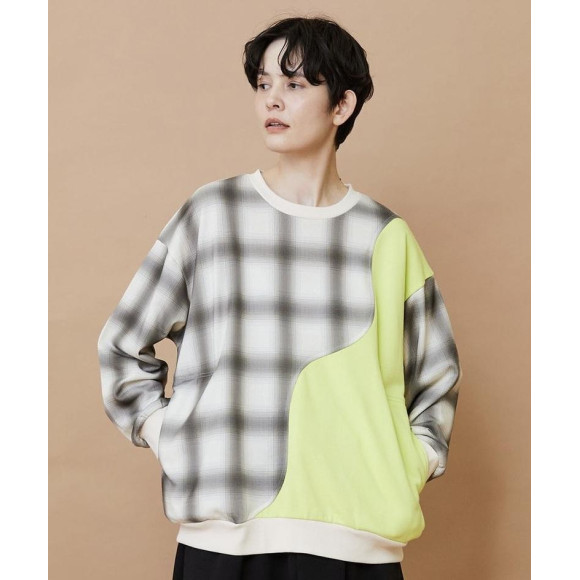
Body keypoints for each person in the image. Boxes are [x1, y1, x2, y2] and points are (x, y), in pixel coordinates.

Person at [97, 15, 462, 580]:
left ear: (342, 105)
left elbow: (437, 378)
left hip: (357, 541)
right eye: (264, 84)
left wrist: (410, 464)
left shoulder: (386, 237)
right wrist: (175, 438)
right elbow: (122, 344)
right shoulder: (212, 215)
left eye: (294, 84)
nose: (272, 100)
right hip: (224, 540)